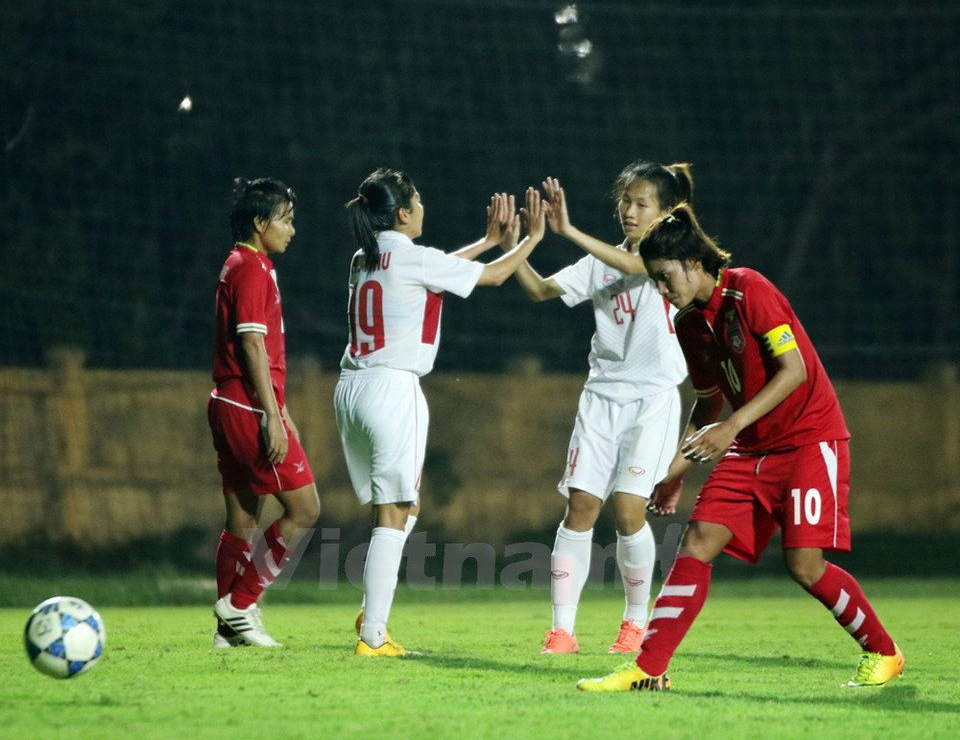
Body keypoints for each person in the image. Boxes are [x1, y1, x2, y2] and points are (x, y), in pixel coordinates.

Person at [577, 203, 903, 691]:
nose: (662, 292)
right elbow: (708, 402)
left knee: (804, 565)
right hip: (751, 446)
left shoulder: (750, 288)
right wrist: (679, 470)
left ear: (693, 262)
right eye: (655, 282)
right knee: (697, 542)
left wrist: (732, 428)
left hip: (809, 439)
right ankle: (648, 669)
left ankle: (884, 652)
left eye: (665, 278)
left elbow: (794, 372)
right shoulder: (688, 323)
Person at [335, 168, 546, 657]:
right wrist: (530, 239)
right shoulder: (415, 259)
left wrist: (488, 240)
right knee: (392, 513)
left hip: (351, 387)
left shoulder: (363, 258)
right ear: (404, 213)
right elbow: (491, 276)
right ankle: (373, 636)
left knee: (404, 508)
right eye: (419, 200)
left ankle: (374, 606)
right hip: (393, 387)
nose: (425, 208)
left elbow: (433, 272)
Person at [508, 162, 692, 654]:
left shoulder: (676, 251)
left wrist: (568, 231)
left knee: (629, 510)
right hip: (601, 397)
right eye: (626, 201)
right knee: (581, 507)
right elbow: (540, 290)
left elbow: (639, 265)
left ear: (667, 211)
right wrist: (516, 246)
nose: (629, 211)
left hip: (651, 400)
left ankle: (636, 624)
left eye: (641, 203)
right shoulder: (602, 260)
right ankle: (562, 630)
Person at [207, 177, 321, 648]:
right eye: (286, 219)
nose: (292, 229)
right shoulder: (251, 269)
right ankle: (240, 605)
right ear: (260, 223)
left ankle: (227, 634)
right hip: (247, 407)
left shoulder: (239, 262)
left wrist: (282, 407)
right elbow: (252, 344)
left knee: (243, 521)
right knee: (305, 508)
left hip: (230, 401)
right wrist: (271, 415)